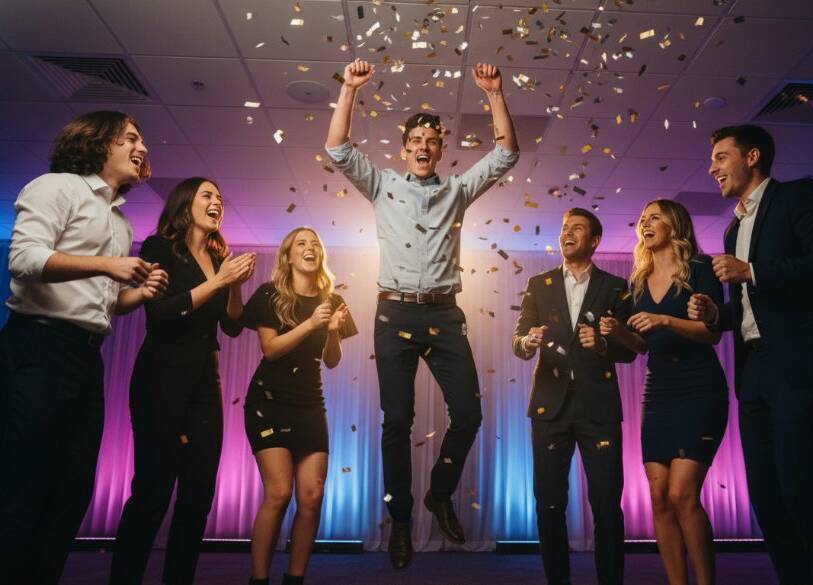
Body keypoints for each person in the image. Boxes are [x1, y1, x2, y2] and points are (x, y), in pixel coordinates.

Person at [325, 58, 519, 569]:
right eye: (416, 139)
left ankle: (439, 493)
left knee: (470, 415)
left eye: (432, 140)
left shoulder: (457, 190)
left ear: (440, 150)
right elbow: (338, 148)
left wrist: (494, 94)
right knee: (396, 420)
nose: (423, 146)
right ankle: (402, 522)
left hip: (445, 315)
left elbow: (506, 154)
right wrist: (349, 88)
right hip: (394, 314)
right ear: (404, 147)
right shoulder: (381, 184)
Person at [687, 124, 813, 585]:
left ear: (752, 156)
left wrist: (753, 271)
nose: (712, 168)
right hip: (755, 372)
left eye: (721, 157)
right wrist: (717, 313)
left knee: (800, 488)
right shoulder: (733, 228)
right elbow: (751, 308)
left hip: (803, 364)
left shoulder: (798, 196)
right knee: (767, 496)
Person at [0, 110, 167, 584]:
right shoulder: (56, 187)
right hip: (38, 347)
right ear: (97, 142)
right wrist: (108, 266)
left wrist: (139, 292)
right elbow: (24, 258)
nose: (141, 148)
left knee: (72, 490)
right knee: (25, 483)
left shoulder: (121, 223)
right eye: (130, 138)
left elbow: (107, 304)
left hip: (85, 357)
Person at [110, 177, 256, 585]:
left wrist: (234, 286)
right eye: (208, 195)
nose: (217, 202)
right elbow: (161, 314)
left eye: (220, 197)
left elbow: (232, 326)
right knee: (153, 491)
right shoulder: (159, 247)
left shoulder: (218, 257)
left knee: (198, 496)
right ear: (185, 203)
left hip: (204, 384)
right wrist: (219, 282)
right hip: (162, 376)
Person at [598, 199, 727, 585]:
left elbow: (712, 333)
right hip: (658, 392)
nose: (645, 223)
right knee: (658, 496)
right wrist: (619, 332)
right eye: (642, 219)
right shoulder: (638, 280)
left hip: (699, 387)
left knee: (682, 494)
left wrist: (665, 320)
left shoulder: (701, 268)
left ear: (675, 225)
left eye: (654, 217)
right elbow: (640, 346)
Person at [512, 208, 635, 585]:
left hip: (599, 410)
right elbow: (518, 341)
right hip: (549, 410)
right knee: (549, 505)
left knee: (607, 505)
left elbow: (630, 350)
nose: (567, 233)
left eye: (577, 228)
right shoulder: (539, 283)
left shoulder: (616, 286)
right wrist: (528, 341)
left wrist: (603, 344)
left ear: (594, 241)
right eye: (564, 227)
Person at [243, 227, 357, 585]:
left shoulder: (333, 300)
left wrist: (333, 331)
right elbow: (271, 350)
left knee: (312, 496)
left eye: (315, 244)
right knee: (279, 493)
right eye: (301, 244)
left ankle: (294, 579)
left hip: (309, 404)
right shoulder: (270, 294)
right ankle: (259, 580)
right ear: (288, 256)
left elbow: (332, 361)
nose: (310, 248)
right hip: (268, 402)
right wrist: (311, 324)